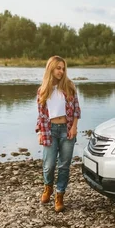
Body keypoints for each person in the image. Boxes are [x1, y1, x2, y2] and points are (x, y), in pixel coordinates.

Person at [36, 55, 81, 212]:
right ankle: (48, 187)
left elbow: (76, 109)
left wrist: (74, 127)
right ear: (51, 68)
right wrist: (40, 132)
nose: (61, 71)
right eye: (58, 68)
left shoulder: (69, 86)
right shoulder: (43, 90)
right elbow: (41, 114)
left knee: (64, 166)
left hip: (67, 130)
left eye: (63, 68)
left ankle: (59, 196)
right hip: (50, 131)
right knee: (49, 165)